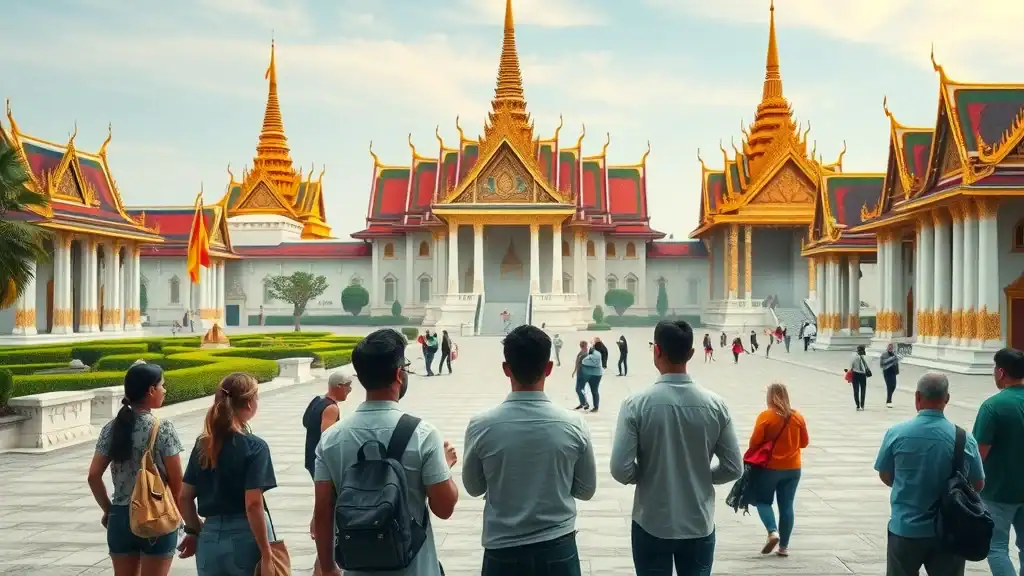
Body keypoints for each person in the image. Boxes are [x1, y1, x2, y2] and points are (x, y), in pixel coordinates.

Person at [313, 328, 460, 576]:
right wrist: (443, 467)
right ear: (398, 374)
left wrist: (328, 567)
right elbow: (444, 509)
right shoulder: (423, 434)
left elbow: (323, 510)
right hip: (415, 568)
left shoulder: (331, 439)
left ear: (360, 377)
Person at [610, 320, 742, 576]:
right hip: (698, 521)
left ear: (656, 351)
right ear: (691, 353)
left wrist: (648, 475)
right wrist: (700, 475)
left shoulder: (636, 404)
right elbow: (734, 467)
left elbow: (619, 469)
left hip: (652, 520)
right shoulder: (716, 405)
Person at [462, 325, 597, 575]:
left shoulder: (481, 425)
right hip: (558, 546)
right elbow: (586, 490)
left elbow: (474, 487)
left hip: (502, 548)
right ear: (548, 367)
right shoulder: (573, 424)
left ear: (506, 369)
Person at [874, 372, 985, 576]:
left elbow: (885, 474)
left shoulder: (896, 433)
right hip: (949, 530)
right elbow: (978, 484)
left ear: (917, 397)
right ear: (947, 399)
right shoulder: (964, 438)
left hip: (905, 528)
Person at [177, 373, 279, 576]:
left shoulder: (203, 444)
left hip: (209, 537)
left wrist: (195, 529)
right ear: (249, 403)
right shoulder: (254, 447)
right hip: (244, 536)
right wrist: (267, 555)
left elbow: (184, 496)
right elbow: (253, 504)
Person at [87, 363, 184, 576]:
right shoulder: (163, 428)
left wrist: (108, 510)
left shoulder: (111, 427)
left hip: (121, 517)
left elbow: (93, 476)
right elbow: (177, 482)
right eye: (162, 385)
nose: (164, 390)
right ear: (151, 390)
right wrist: (180, 517)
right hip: (156, 516)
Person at [972, 348, 1024, 576]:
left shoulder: (993, 406)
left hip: (999, 491)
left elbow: (978, 454)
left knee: (996, 548)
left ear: (1001, 372)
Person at [748, 382, 809, 557]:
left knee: (763, 501)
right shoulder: (797, 417)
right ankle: (783, 547)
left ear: (769, 397)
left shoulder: (766, 416)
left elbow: (754, 443)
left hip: (769, 467)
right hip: (793, 468)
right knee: (787, 506)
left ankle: (772, 531)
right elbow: (804, 443)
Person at [302, 370, 353, 573]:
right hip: (323, 465)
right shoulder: (331, 408)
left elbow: (307, 423)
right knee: (328, 510)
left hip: (310, 460)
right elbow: (329, 441)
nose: (350, 390)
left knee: (324, 506)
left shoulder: (317, 401)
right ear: (338, 386)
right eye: (348, 385)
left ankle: (320, 566)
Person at [579, 342, 604, 413]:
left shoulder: (596, 354)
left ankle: (595, 407)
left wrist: (584, 361)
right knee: (583, 388)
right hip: (591, 374)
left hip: (595, 375)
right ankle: (587, 404)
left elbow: (587, 362)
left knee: (594, 390)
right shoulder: (593, 353)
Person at [849, 345, 870, 411]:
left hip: (855, 374)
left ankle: (858, 405)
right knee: (863, 390)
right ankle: (862, 405)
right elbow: (868, 366)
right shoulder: (866, 357)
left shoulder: (854, 356)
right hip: (863, 375)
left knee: (856, 390)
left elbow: (851, 366)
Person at [572, 340, 591, 411]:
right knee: (580, 389)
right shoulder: (582, 352)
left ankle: (585, 403)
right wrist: (575, 371)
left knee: (579, 389)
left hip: (582, 373)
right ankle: (582, 403)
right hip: (579, 372)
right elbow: (577, 362)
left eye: (582, 345)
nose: (581, 346)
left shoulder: (585, 353)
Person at [880, 343, 901, 408]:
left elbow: (896, 363)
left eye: (891, 347)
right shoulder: (884, 354)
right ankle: (889, 401)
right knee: (889, 386)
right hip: (887, 371)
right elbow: (882, 363)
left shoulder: (895, 354)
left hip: (893, 372)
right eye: (889, 347)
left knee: (894, 386)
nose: (890, 348)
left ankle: (889, 398)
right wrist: (892, 358)